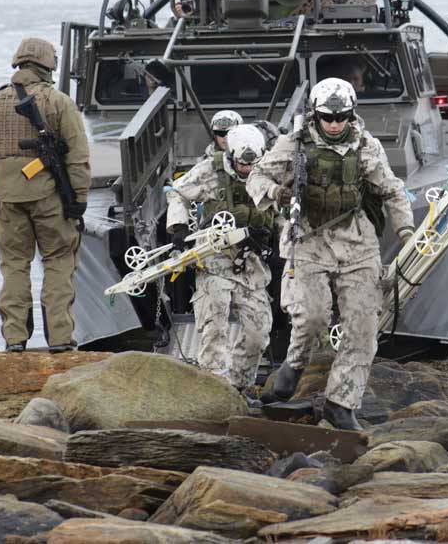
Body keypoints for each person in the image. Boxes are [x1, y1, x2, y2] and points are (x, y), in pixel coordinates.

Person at [247, 78, 414, 430]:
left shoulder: (365, 145)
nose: (334, 124)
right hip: (309, 238)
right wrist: (277, 192)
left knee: (363, 326)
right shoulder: (293, 144)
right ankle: (294, 364)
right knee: (313, 318)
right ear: (316, 114)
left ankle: (342, 404)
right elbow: (256, 177)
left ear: (351, 115)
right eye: (327, 117)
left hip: (356, 241)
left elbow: (392, 190)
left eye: (341, 117)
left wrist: (406, 230)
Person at [0, 37, 90, 353]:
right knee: (59, 262)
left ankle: (15, 338)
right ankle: (60, 338)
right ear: (49, 65)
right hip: (50, 199)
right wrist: (80, 199)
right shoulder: (58, 101)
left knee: (15, 267)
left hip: (7, 200)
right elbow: (78, 154)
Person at [166, 125, 275, 396]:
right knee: (215, 329)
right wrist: (179, 226)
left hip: (251, 265)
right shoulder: (210, 172)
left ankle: (240, 387)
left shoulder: (269, 172)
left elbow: (283, 209)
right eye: (242, 164)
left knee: (257, 334)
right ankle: (215, 390)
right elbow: (177, 192)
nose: (247, 170)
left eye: (253, 164)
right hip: (214, 261)